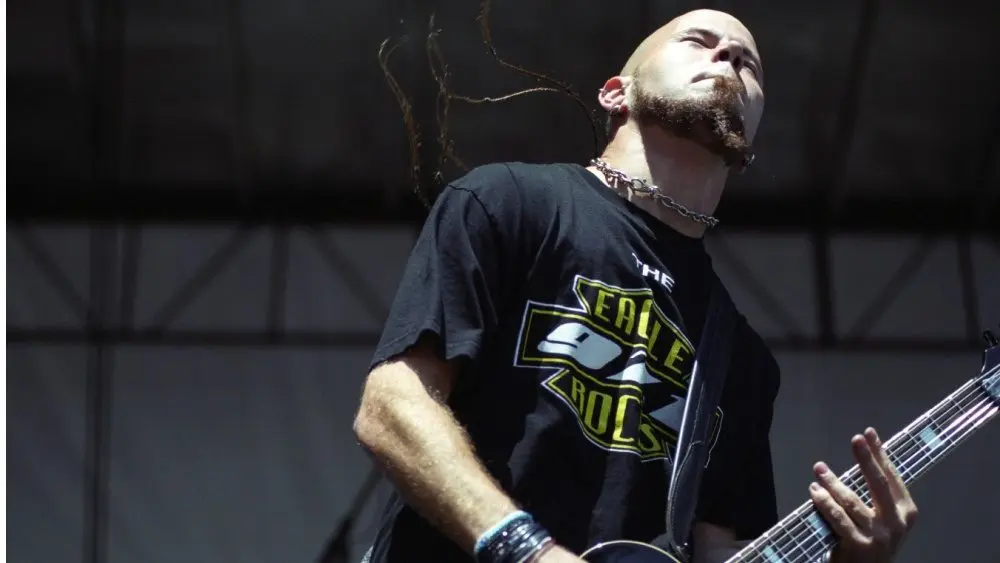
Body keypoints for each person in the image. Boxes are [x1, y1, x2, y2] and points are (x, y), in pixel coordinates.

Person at [352, 8, 918, 563]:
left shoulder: (740, 358)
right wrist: (528, 551)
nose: (729, 57)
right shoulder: (509, 204)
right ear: (615, 93)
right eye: (698, 40)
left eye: (750, 65)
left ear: (749, 141)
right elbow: (393, 406)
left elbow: (719, 545)